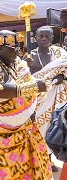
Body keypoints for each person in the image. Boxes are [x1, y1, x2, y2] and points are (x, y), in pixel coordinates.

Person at [0, 30, 53, 179]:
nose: (19, 51)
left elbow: (23, 90)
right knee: (6, 172)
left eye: (19, 46)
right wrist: (34, 87)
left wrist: (30, 112)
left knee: (27, 167)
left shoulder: (14, 64)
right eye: (14, 47)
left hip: (24, 128)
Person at [23, 26, 67, 172]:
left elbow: (64, 69)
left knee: (50, 128)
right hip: (36, 99)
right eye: (40, 36)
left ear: (52, 38)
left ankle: (48, 160)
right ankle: (36, 160)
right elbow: (22, 78)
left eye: (47, 36)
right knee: (36, 130)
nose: (43, 39)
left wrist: (62, 77)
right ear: (35, 38)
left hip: (55, 98)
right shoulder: (29, 56)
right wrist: (26, 67)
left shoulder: (59, 54)